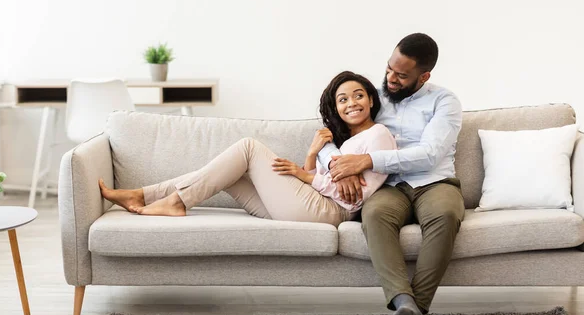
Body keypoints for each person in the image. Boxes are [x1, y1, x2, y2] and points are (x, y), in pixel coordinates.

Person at [99, 71, 396, 230]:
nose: (351, 103)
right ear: (337, 108)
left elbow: (356, 198)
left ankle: (175, 201)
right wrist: (311, 154)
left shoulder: (379, 134)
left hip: (330, 213)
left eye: (358, 95)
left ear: (371, 99)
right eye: (343, 99)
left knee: (248, 147)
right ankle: (145, 195)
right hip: (310, 206)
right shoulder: (342, 143)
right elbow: (322, 179)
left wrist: (303, 177)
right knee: (229, 175)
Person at [317, 33, 464, 315]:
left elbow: (430, 154)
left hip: (432, 180)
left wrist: (367, 159)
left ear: (423, 76)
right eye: (388, 69)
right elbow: (327, 131)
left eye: (401, 75)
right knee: (374, 216)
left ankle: (414, 311)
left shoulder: (444, 101)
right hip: (387, 184)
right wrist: (336, 164)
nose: (391, 79)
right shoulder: (374, 98)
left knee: (447, 214)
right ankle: (405, 306)